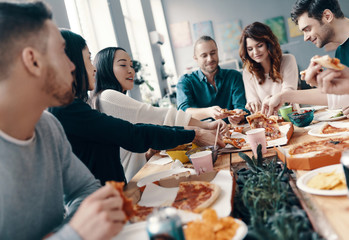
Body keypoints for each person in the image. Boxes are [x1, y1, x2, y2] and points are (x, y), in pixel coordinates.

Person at [0, 2, 126, 239]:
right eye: (61, 52)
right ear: (33, 61)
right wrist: (74, 233)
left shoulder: (48, 126)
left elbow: (85, 188)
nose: (72, 66)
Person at [49, 29, 224, 185]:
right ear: (71, 63)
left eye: (131, 65)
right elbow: (134, 133)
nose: (93, 68)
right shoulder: (68, 108)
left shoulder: (74, 106)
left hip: (118, 196)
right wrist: (196, 133)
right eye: (87, 59)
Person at [91, 47, 228, 181]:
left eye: (131, 65)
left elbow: (126, 151)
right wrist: (206, 126)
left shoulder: (104, 98)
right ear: (105, 69)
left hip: (139, 176)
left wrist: (148, 154)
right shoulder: (108, 96)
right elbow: (158, 116)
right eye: (122, 65)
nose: (130, 70)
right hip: (132, 184)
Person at [262, 0, 349, 117]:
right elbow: (341, 96)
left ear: (327, 16)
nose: (305, 38)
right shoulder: (341, 52)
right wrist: (283, 96)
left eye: (307, 29)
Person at [176, 35, 248, 123]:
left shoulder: (234, 76)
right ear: (196, 58)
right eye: (204, 55)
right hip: (202, 133)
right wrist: (208, 112)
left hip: (234, 131)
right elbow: (184, 112)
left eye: (213, 53)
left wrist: (239, 116)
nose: (210, 59)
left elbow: (241, 107)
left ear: (217, 52)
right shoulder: (185, 81)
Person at [239, 22, 298, 114]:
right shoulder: (248, 71)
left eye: (259, 46)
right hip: (267, 123)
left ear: (269, 44)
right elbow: (252, 99)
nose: (255, 52)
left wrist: (269, 99)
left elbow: (288, 93)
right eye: (250, 49)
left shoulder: (288, 60)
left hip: (290, 116)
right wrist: (252, 104)